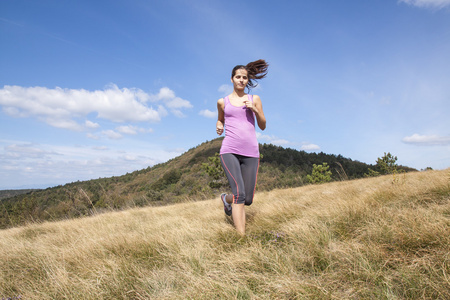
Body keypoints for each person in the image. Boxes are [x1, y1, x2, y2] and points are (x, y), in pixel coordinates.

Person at [216, 59, 268, 235]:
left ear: (248, 80)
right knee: (239, 193)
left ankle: (226, 199)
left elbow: (263, 125)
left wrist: (255, 110)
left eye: (244, 77)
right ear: (232, 79)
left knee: (248, 199)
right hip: (229, 150)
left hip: (251, 152)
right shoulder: (222, 102)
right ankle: (241, 239)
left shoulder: (255, 99)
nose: (241, 80)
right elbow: (220, 118)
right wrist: (219, 124)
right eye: (238, 77)